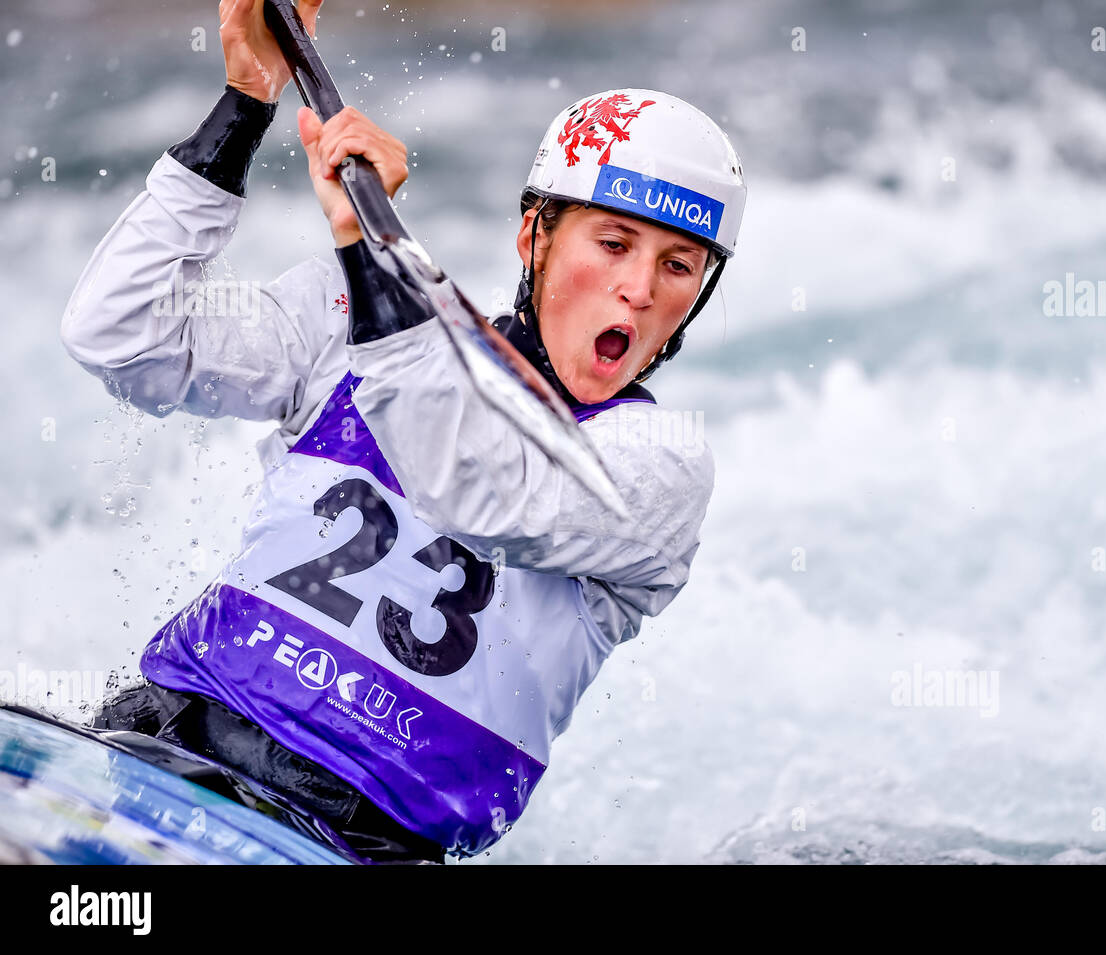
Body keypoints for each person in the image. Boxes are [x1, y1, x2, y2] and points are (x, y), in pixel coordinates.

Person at [60, 0, 746, 862]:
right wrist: (245, 106)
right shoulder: (349, 307)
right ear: (535, 235)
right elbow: (120, 334)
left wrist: (368, 246)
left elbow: (476, 489)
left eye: (677, 266)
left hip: (358, 845)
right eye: (612, 243)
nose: (639, 288)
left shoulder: (657, 467)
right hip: (157, 746)